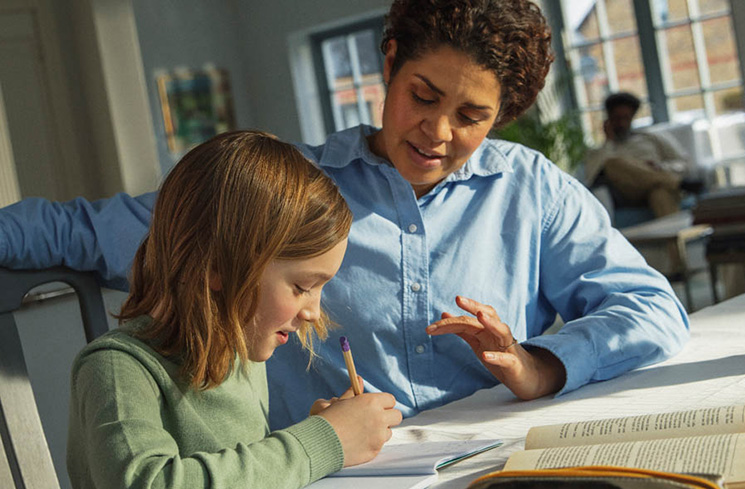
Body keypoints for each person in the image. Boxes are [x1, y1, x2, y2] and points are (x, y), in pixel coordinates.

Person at [0, 0, 689, 431]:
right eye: (423, 95)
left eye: (472, 115)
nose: (438, 132)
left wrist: (540, 364)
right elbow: (82, 231)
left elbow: (654, 310)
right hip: (326, 486)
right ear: (390, 61)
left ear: (501, 116)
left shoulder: (531, 189)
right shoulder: (281, 193)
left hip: (499, 465)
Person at [67, 130, 402, 489]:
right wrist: (319, 444)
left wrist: (327, 438)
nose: (314, 312)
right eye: (301, 286)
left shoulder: (240, 355)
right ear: (218, 268)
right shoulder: (118, 368)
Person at [583, 91, 704, 219]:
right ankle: (680, 184)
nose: (622, 124)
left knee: (660, 193)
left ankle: (676, 238)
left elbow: (683, 163)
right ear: (609, 119)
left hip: (658, 187)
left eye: (626, 118)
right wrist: (609, 141)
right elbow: (591, 177)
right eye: (617, 118)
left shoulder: (651, 137)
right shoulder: (600, 151)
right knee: (612, 163)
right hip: (628, 195)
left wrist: (662, 167)